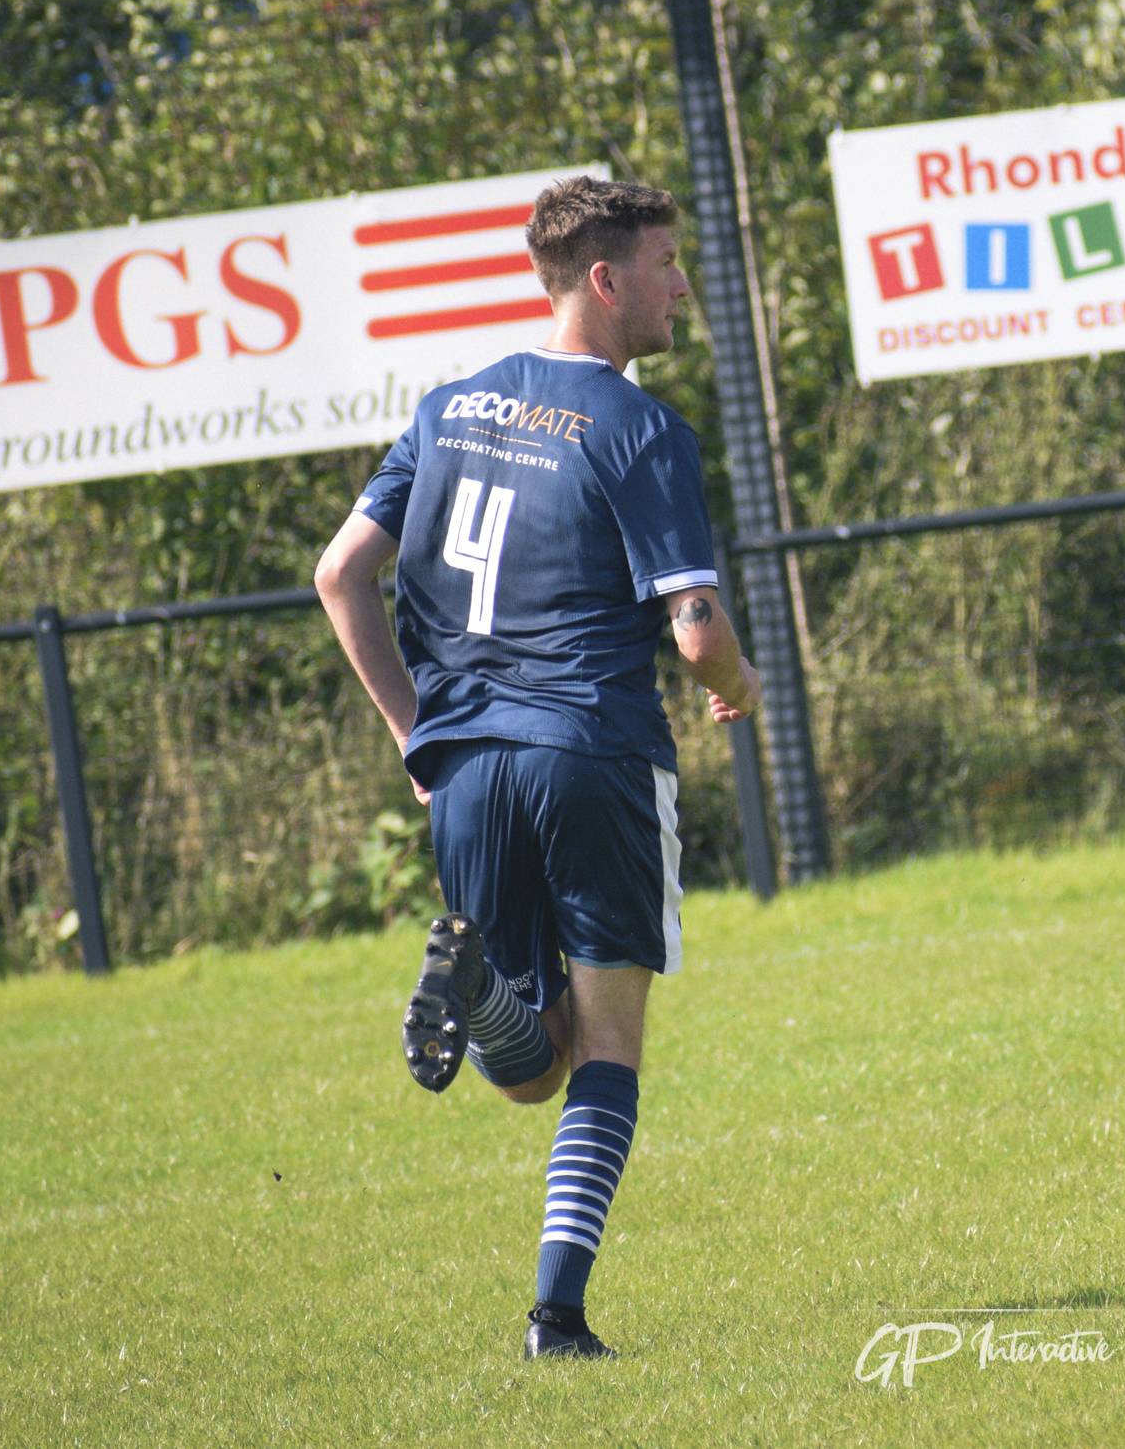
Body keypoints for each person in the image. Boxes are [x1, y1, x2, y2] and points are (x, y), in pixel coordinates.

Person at [313, 174, 761, 1360]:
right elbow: (696, 630)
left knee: (526, 1066)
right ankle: (556, 1314)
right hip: (591, 753)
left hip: (468, 766)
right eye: (664, 263)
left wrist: (415, 731)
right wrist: (741, 683)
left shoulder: (447, 407)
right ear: (604, 280)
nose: (680, 286)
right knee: (605, 1045)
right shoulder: (642, 427)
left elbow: (339, 573)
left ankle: (478, 991)